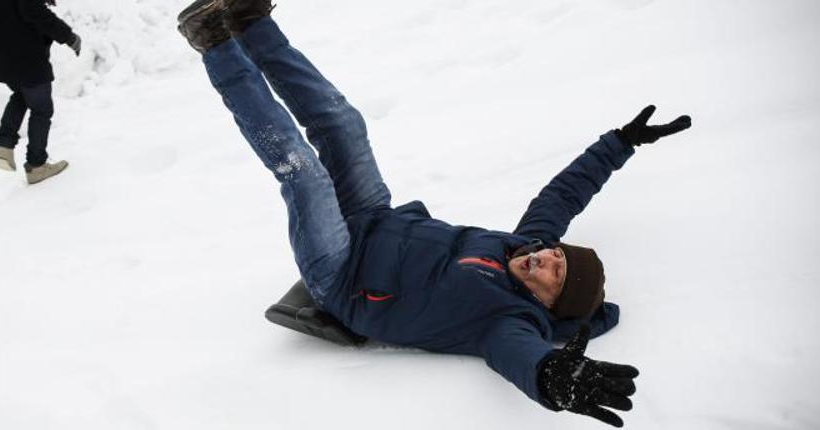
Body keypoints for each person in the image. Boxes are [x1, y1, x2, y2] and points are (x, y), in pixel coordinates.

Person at [178, 0, 692, 427]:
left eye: (552, 277)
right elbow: (564, 196)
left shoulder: (507, 321)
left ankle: (216, 45)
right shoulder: (524, 246)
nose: (543, 260)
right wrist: (620, 143)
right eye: (555, 255)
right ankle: (251, 23)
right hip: (373, 216)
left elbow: (521, 357)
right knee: (344, 124)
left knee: (303, 171)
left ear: (547, 307)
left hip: (340, 274)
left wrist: (553, 376)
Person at [0, 0, 81, 185]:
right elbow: (32, 10)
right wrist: (68, 36)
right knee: (41, 107)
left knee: (22, 93)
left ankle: (5, 147)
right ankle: (37, 165)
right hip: (24, 48)